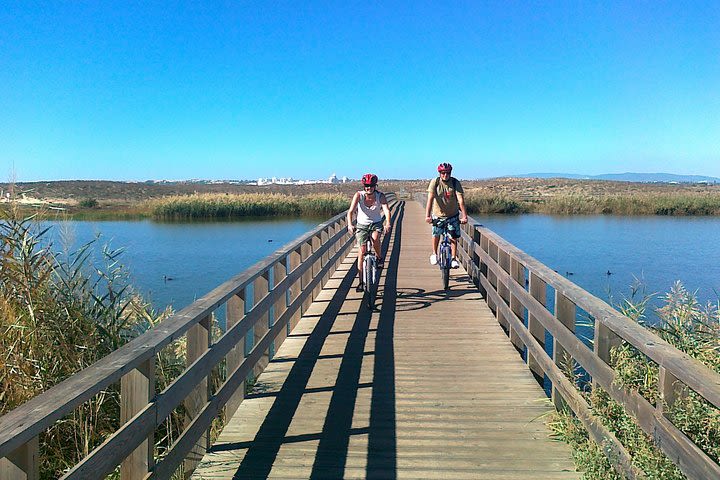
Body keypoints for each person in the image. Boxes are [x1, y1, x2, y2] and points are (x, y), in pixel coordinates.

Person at [347, 173, 392, 292]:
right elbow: (350, 211)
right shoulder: (359, 195)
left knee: (376, 238)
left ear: (375, 186)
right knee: (361, 252)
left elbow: (386, 210)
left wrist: (388, 222)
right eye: (366, 186)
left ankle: (379, 257)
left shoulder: (380, 196)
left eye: (371, 186)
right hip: (362, 225)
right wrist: (350, 224)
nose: (369, 188)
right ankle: (361, 282)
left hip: (376, 223)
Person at [425, 162, 468, 268]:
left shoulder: (455, 182)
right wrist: (427, 216)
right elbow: (430, 199)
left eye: (447, 173)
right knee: (436, 235)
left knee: (453, 237)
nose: (445, 175)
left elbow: (461, 200)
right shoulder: (435, 182)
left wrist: (464, 216)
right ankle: (434, 254)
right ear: (440, 173)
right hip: (438, 215)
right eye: (443, 173)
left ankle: (453, 258)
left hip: (452, 215)